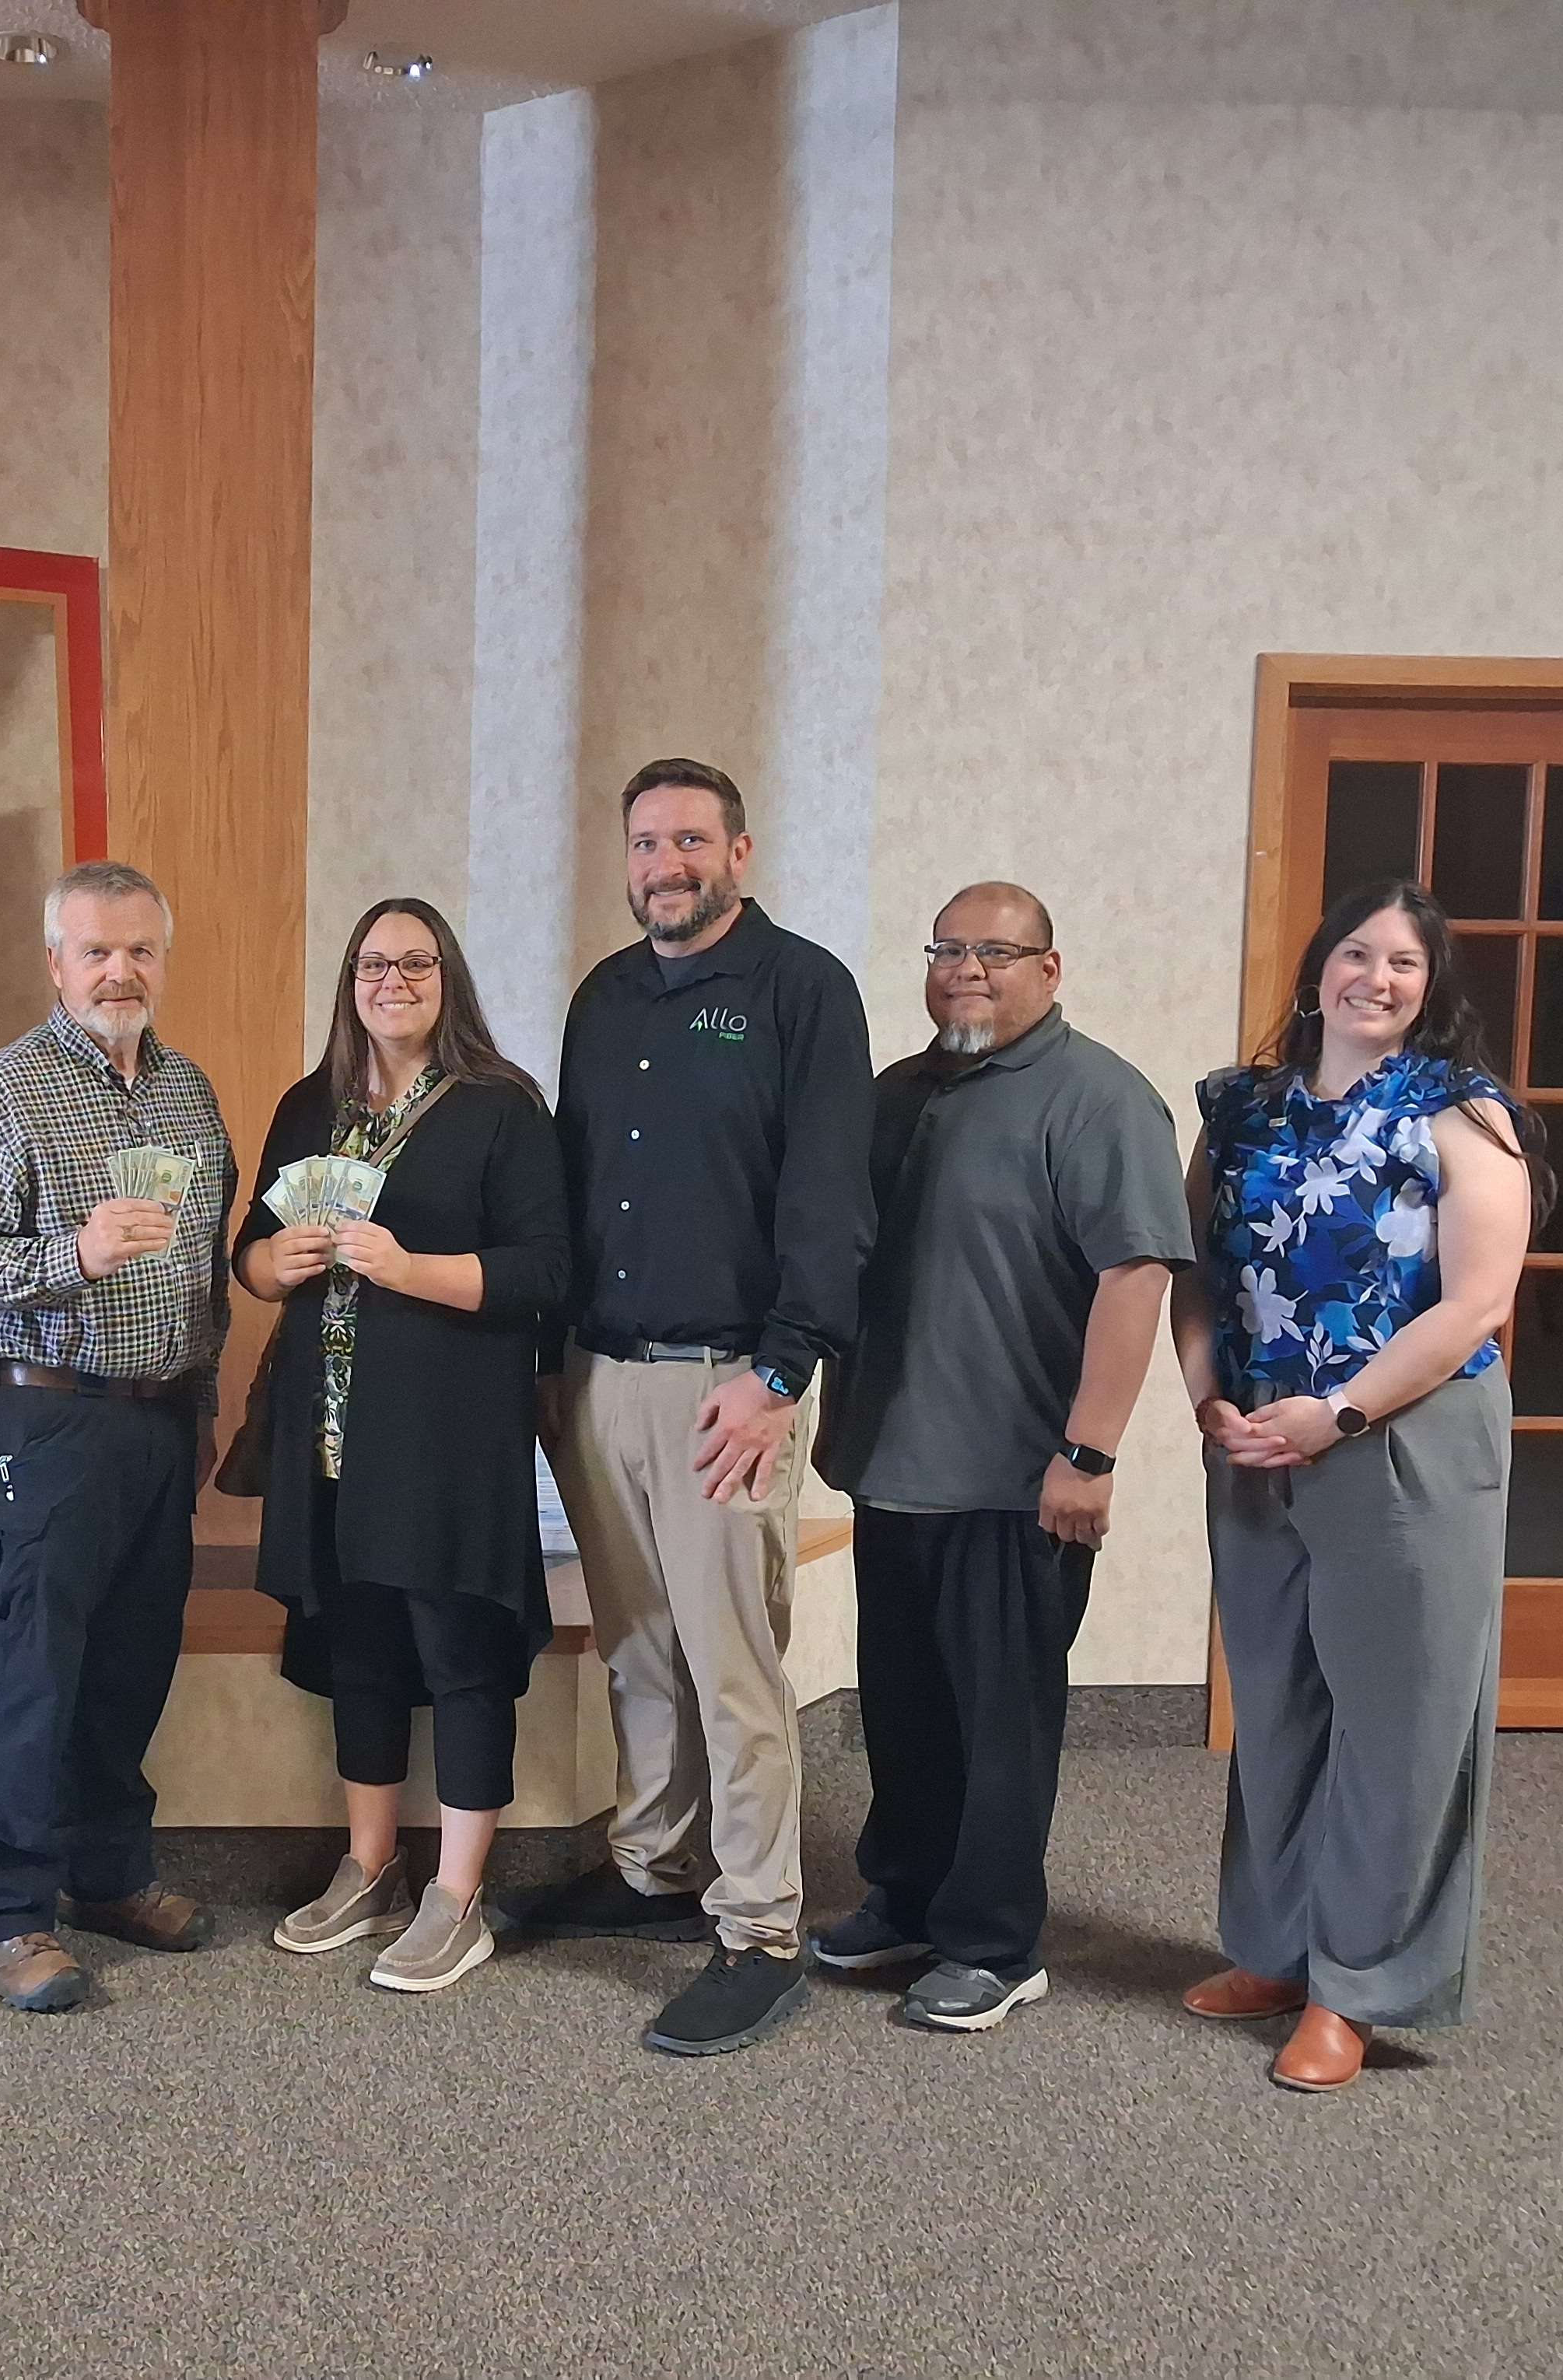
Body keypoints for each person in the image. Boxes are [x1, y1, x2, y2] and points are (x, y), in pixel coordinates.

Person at [521, 757, 875, 2059]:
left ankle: (760, 1924)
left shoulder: (803, 991)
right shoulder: (604, 997)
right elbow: (569, 1182)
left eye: (687, 841)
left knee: (734, 1661)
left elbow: (831, 1196)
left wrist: (782, 1373)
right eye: (644, 844)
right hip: (603, 1377)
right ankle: (655, 1865)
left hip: (733, 1381)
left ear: (738, 852)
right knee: (641, 1647)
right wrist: (553, 1367)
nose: (662, 864)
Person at [1172, 878, 1539, 2093]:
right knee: (1277, 1707)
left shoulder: (1462, 1113)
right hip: (1258, 1441)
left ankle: (1359, 1986)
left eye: (1405, 965)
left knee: (1399, 1721)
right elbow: (1193, 1274)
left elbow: (1478, 1304)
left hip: (1401, 1437)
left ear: (1432, 990)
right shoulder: (1240, 1107)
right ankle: (1276, 1952)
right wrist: (1208, 1400)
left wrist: (1338, 1413)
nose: (1375, 979)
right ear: (1316, 966)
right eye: (1356, 953)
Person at [810, 884, 1189, 2032]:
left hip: (1019, 1475)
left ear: (1051, 968)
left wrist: (1090, 1451)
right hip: (892, 1460)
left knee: (999, 1717)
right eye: (947, 950)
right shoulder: (897, 1095)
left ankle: (994, 1941)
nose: (968, 969)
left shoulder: (1100, 1098)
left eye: (997, 951)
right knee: (908, 1703)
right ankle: (910, 1897)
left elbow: (1137, 1277)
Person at [0, 859, 234, 2014]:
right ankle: (11, 1913)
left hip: (159, 1423)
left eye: (140, 950)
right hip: (47, 1419)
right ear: (56, 962)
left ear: (163, 957)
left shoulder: (190, 1093)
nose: (120, 970)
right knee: (37, 1674)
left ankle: (110, 1877)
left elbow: (208, 1267)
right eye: (96, 950)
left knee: (133, 1666)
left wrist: (201, 1409)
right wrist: (74, 1257)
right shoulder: (1, 1094)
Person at [237, 898, 569, 1994]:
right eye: (374, 963)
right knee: (360, 1645)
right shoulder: (310, 1105)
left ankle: (458, 1895)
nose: (394, 980)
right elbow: (252, 1249)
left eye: (416, 962)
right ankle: (371, 1865)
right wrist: (270, 1268)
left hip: (448, 1437)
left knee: (457, 1645)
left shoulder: (500, 1109)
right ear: (350, 980)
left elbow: (540, 1274)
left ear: (448, 977)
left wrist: (408, 1268)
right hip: (328, 1436)